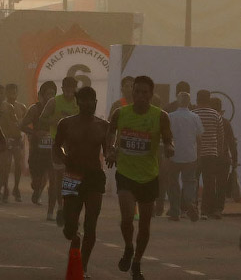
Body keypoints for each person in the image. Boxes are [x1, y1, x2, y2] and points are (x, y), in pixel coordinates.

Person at [107, 75, 174, 280]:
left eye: (145, 93)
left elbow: (168, 139)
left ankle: (136, 262)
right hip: (126, 173)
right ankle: (128, 246)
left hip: (149, 176)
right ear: (131, 93)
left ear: (151, 95)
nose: (141, 96)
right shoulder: (120, 113)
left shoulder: (160, 116)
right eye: (137, 92)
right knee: (127, 219)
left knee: (145, 225)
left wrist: (170, 148)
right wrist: (110, 150)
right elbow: (110, 134)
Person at [53, 86, 109, 278]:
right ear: (78, 103)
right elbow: (56, 146)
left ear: (95, 102)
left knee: (91, 224)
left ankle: (82, 267)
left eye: (91, 100)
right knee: (70, 227)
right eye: (83, 101)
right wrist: (63, 157)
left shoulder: (103, 125)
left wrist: (111, 154)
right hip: (72, 175)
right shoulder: (66, 124)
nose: (87, 104)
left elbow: (108, 148)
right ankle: (74, 237)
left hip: (94, 176)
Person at [41, 76, 80, 226]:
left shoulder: (79, 102)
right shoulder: (54, 102)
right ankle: (58, 208)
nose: (70, 93)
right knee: (58, 179)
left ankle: (69, 209)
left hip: (75, 145)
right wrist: (55, 121)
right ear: (62, 89)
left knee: (73, 179)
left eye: (72, 90)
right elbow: (42, 119)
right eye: (67, 90)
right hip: (58, 143)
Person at [166, 91, 203, 221]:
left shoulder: (170, 116)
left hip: (173, 155)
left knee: (173, 183)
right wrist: (198, 153)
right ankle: (189, 203)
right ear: (189, 102)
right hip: (190, 154)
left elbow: (166, 136)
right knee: (189, 182)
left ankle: (175, 211)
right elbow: (199, 137)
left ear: (178, 101)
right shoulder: (195, 117)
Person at [22, 81, 58, 210]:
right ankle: (36, 190)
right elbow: (22, 125)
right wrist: (35, 133)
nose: (50, 96)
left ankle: (50, 205)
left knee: (50, 175)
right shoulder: (34, 109)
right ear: (42, 95)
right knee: (37, 180)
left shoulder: (57, 109)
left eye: (53, 94)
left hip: (52, 150)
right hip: (37, 150)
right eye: (48, 94)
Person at [192, 89, 224, 220]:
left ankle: (192, 208)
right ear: (209, 99)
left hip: (194, 154)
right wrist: (219, 152)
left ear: (197, 99)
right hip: (211, 154)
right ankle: (205, 210)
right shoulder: (216, 115)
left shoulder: (193, 114)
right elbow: (220, 136)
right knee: (209, 182)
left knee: (192, 181)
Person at [0, 83, 27, 203]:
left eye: (14, 92)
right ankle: (5, 188)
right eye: (9, 92)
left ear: (17, 93)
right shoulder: (2, 107)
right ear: (6, 93)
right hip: (6, 140)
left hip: (17, 139)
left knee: (18, 165)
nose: (12, 95)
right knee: (6, 166)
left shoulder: (22, 107)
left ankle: (16, 187)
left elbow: (25, 122)